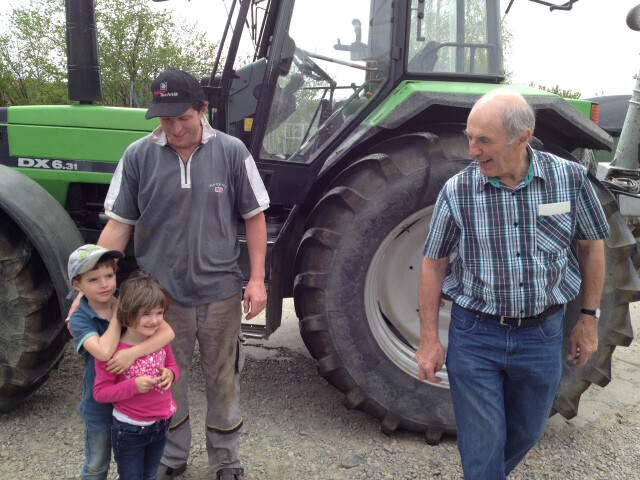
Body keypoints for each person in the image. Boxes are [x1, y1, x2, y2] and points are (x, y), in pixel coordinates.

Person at [415, 88, 610, 479]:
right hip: (476, 335)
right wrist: (429, 339)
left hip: (542, 335)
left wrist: (589, 318)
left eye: (483, 140)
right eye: (469, 137)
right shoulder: (458, 190)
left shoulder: (568, 179)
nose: (472, 150)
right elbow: (433, 264)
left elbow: (591, 247)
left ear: (522, 137)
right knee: (483, 447)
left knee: (527, 431)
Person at [98, 69, 270, 480]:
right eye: (165, 119)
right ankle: (172, 457)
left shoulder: (232, 152)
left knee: (223, 381)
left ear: (202, 110)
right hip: (160, 301)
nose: (175, 128)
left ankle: (226, 462)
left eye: (183, 118)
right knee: (165, 380)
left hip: (221, 294)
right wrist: (91, 288)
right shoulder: (138, 155)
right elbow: (119, 224)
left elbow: (255, 216)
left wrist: (258, 278)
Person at [68, 244, 175, 480]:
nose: (105, 284)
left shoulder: (126, 301)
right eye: (94, 279)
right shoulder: (80, 319)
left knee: (137, 468)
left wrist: (132, 353)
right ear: (78, 286)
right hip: (100, 404)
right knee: (97, 464)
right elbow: (105, 353)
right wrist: (119, 315)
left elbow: (167, 333)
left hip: (135, 408)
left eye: (109, 275)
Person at [93, 271, 179, 480]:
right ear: (128, 313)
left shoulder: (159, 341)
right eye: (146, 314)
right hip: (130, 428)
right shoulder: (112, 351)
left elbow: (172, 366)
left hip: (161, 423)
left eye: (159, 313)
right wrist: (133, 386)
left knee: (150, 475)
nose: (154, 320)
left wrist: (170, 374)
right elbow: (100, 393)